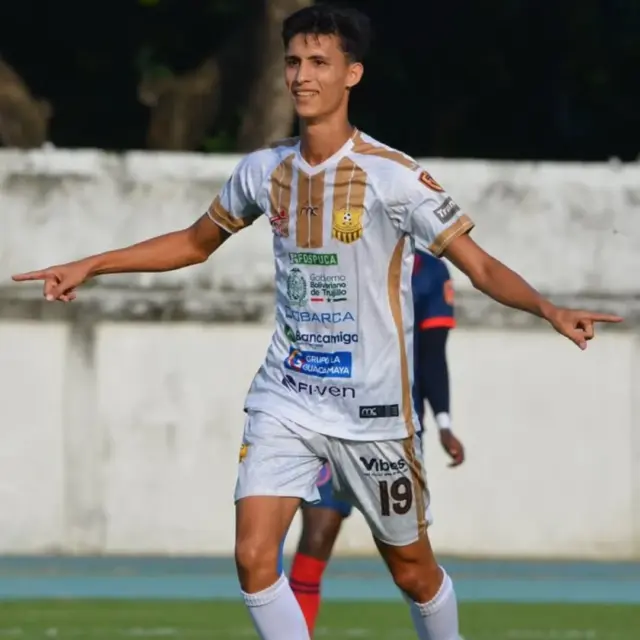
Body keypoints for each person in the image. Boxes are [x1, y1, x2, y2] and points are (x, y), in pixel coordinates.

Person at [11, 5, 621, 640]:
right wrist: (93, 264)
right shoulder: (263, 171)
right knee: (254, 557)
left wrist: (549, 308)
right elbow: (194, 243)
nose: (302, 76)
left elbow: (481, 266)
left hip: (374, 415)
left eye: (319, 63)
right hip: (288, 397)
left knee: (413, 572)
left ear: (352, 74)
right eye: (294, 62)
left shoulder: (393, 178)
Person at [283, 251, 464, 636]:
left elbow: (432, 355)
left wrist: (444, 422)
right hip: (330, 419)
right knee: (316, 536)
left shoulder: (429, 272)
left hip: (390, 431)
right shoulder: (343, 257)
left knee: (408, 566)